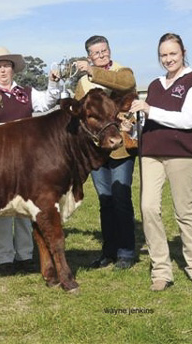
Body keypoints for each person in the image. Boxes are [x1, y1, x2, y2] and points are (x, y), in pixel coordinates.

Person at [129, 33, 192, 291]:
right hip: (151, 153)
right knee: (149, 208)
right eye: (163, 55)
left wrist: (150, 110)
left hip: (181, 154)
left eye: (172, 53)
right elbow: (149, 122)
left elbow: (186, 120)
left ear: (183, 52)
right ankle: (161, 270)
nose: (168, 59)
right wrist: (132, 123)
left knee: (183, 210)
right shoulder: (154, 84)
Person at [0, 46, 61, 275]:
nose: (3, 70)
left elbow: (47, 103)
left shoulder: (26, 92)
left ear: (13, 69)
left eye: (6, 65)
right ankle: (4, 257)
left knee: (26, 209)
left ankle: (25, 255)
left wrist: (52, 83)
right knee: (2, 210)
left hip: (27, 160)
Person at [74, 35, 137, 269]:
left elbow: (125, 85)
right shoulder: (83, 84)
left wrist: (92, 71)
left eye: (104, 51)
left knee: (121, 198)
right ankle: (109, 251)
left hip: (121, 147)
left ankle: (127, 252)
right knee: (105, 200)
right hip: (97, 151)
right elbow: (79, 113)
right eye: (96, 53)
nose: (101, 56)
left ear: (110, 50)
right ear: (89, 55)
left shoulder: (123, 72)